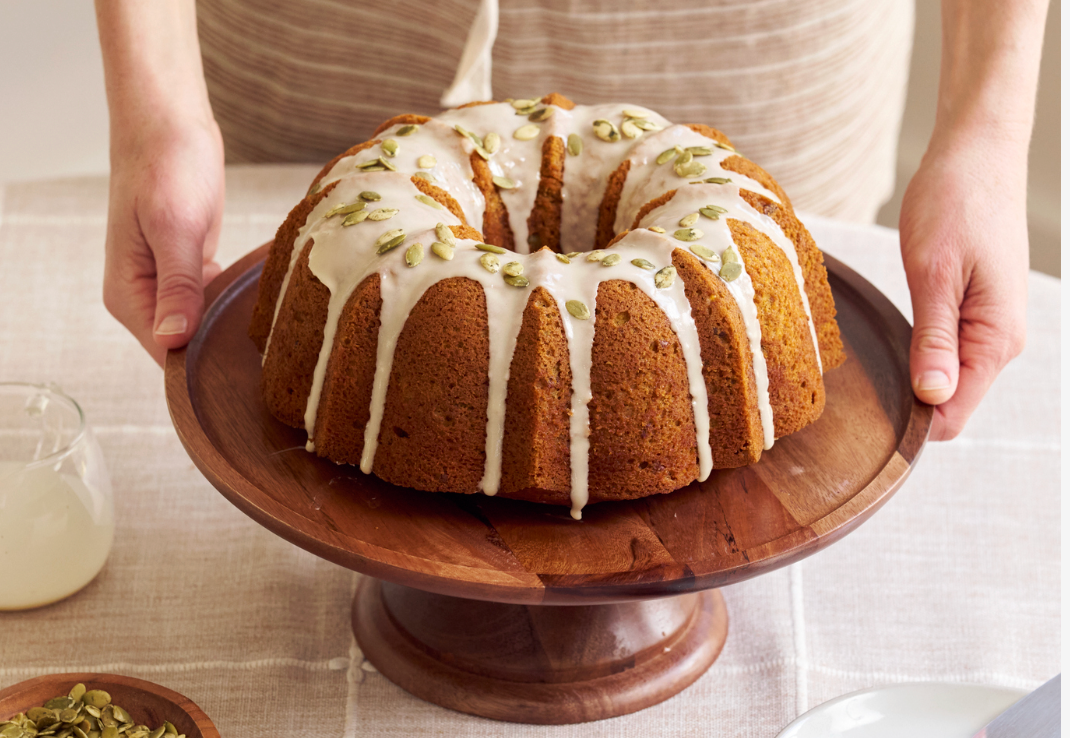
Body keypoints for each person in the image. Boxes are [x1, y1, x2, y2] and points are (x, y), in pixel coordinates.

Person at [94, 0, 1049, 442]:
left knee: (743, 288)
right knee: (353, 266)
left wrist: (988, 133)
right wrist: (159, 103)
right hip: (331, 46)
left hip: (754, 51)